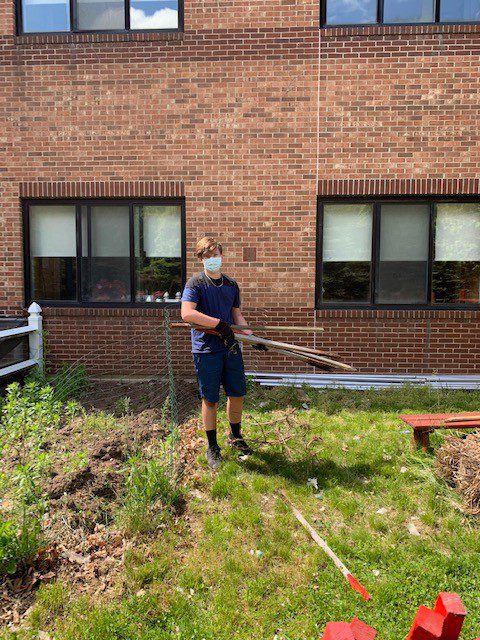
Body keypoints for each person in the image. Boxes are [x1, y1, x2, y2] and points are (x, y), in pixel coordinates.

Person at [181, 237, 260, 470]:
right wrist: (218, 324)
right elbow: (187, 314)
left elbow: (237, 315)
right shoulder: (195, 284)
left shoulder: (231, 285)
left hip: (231, 347)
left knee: (237, 394)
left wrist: (252, 336)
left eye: (215, 255)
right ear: (201, 259)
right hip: (207, 350)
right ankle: (212, 446)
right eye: (207, 256)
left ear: (221, 256)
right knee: (211, 399)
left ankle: (236, 437)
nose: (212, 259)